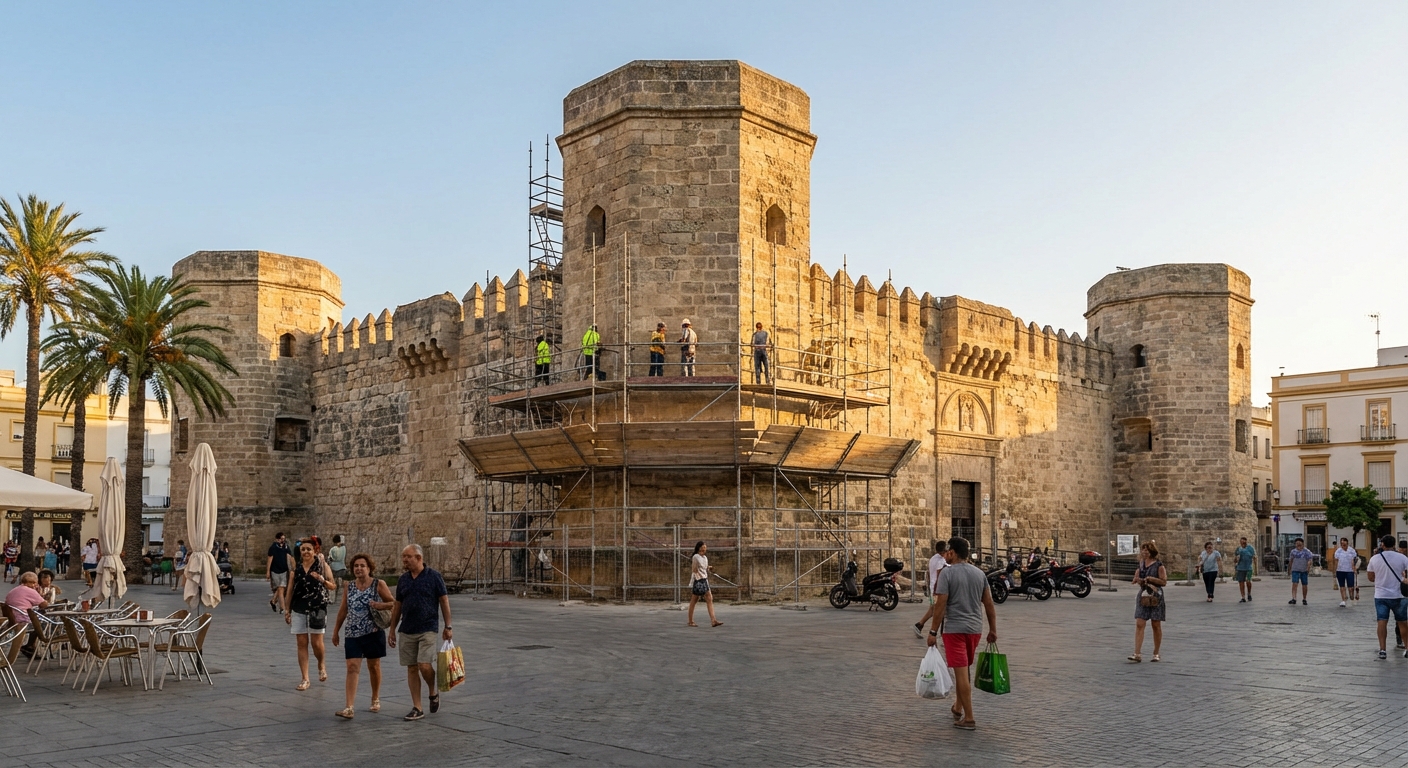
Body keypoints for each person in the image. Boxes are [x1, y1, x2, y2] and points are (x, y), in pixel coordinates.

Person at [925, 537, 997, 731]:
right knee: (963, 670)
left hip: (954, 630)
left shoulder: (947, 574)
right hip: (975, 630)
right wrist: (993, 629)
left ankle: (970, 718)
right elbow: (988, 603)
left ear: (953, 553)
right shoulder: (979, 574)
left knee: (961, 674)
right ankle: (958, 707)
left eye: (949, 550)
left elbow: (940, 605)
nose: (947, 553)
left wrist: (932, 632)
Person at [387, 544, 452, 722]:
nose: (404, 560)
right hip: (407, 629)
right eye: (403, 557)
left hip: (428, 628)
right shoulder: (403, 580)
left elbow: (444, 601)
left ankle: (432, 691)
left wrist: (448, 626)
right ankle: (417, 707)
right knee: (412, 667)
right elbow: (398, 605)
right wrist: (392, 629)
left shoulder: (434, 577)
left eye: (408, 556)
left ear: (419, 557)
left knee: (424, 664)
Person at [331, 553, 395, 719]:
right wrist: (336, 630)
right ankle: (349, 707)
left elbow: (394, 603)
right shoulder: (349, 586)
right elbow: (343, 609)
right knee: (352, 667)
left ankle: (375, 697)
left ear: (369, 568)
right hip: (352, 633)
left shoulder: (378, 584)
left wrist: (380, 605)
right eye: (356, 566)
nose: (358, 569)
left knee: (373, 666)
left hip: (372, 632)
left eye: (362, 566)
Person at [284, 539, 336, 690]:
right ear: (300, 553)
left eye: (309, 549)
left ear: (314, 551)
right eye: (303, 549)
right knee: (301, 643)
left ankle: (321, 663)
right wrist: (287, 610)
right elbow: (290, 590)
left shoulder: (322, 566)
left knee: (316, 643)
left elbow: (333, 586)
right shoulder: (296, 570)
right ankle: (305, 678)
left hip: (317, 608)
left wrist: (322, 579)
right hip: (298, 608)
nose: (306, 552)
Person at [1366, 534, 1408, 660]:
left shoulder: (1375, 559)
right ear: (1394, 544)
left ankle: (1383, 650)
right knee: (1403, 623)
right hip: (1399, 595)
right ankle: (1407, 648)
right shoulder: (1402, 558)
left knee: (1382, 622)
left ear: (1382, 544)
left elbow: (1370, 577)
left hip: (1381, 595)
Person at [1130, 541, 1167, 662]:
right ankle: (1137, 653)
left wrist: (1151, 579)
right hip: (1143, 595)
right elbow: (1139, 579)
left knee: (1156, 625)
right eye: (1143, 550)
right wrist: (1138, 580)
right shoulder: (1141, 564)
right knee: (1139, 623)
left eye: (1147, 550)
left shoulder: (1159, 565)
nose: (1144, 552)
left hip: (1155, 596)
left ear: (1152, 551)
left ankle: (1156, 653)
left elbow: (1164, 581)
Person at [4, 571, 50, 656]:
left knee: (36, 620)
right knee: (42, 624)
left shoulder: (14, 590)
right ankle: (30, 646)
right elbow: (44, 605)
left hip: (10, 620)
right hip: (22, 621)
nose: (34, 585)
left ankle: (30, 646)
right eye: (32, 583)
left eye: (35, 583)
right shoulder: (30, 591)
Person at [913, 540, 949, 638]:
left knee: (933, 609)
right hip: (938, 589)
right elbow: (940, 576)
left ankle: (920, 625)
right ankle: (936, 631)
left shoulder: (933, 558)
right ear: (943, 552)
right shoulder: (941, 561)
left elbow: (929, 574)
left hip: (933, 588)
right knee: (937, 610)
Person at [687, 541, 722, 628]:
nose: (705, 549)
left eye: (705, 547)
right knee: (694, 600)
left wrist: (708, 568)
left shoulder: (705, 558)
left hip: (705, 580)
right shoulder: (695, 557)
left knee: (709, 599)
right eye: (703, 547)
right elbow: (694, 570)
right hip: (698, 581)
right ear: (699, 548)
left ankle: (713, 620)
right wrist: (699, 580)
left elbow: (704, 567)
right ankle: (690, 621)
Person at [266, 531, 292, 613]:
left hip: (284, 570)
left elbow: (290, 557)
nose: (283, 540)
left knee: (281, 588)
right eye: (281, 539)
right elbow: (269, 559)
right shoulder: (273, 548)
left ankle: (273, 601)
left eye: (284, 539)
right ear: (277, 539)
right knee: (280, 589)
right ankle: (282, 608)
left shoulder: (286, 547)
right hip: (275, 571)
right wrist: (268, 571)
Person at [1334, 538, 1359, 608]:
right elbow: (1336, 561)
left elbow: (1355, 560)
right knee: (1342, 586)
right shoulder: (1338, 551)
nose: (1343, 544)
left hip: (1350, 570)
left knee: (1351, 587)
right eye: (1341, 543)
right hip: (1340, 570)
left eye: (1344, 543)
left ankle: (1351, 597)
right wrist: (1334, 571)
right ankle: (1343, 600)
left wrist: (1355, 569)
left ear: (1347, 543)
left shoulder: (1352, 551)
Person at [1287, 537, 1314, 605]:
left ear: (1302, 544)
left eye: (1300, 544)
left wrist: (1308, 568)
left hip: (1304, 570)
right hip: (1295, 570)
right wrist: (1289, 569)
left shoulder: (1307, 552)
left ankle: (1304, 599)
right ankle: (1294, 598)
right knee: (1294, 584)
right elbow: (1291, 560)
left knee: (1304, 584)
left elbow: (1309, 560)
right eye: (1297, 544)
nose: (1298, 545)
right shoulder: (1293, 552)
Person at [1233, 537, 1255, 603]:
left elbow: (1254, 556)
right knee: (1241, 582)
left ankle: (1249, 593)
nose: (1243, 543)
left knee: (1248, 581)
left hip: (1248, 568)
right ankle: (1243, 597)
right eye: (1241, 542)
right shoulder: (1238, 549)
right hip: (1240, 568)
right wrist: (1236, 560)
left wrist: (1255, 566)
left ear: (1246, 542)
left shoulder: (1250, 548)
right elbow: (1235, 559)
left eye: (1244, 542)